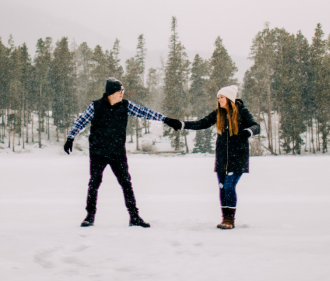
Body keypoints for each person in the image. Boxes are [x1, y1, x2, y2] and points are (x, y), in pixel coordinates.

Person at [64, 77, 170, 228]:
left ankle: (134, 216)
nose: (122, 93)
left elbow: (145, 112)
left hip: (117, 152)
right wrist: (70, 137)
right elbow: (81, 121)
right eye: (120, 91)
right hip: (98, 152)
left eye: (123, 91)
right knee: (94, 183)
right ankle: (90, 216)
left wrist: (165, 119)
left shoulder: (126, 106)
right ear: (111, 93)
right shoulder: (95, 106)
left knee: (126, 183)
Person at [164, 85, 260, 229]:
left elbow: (256, 126)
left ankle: (230, 220)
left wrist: (248, 131)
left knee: (229, 186)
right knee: (222, 187)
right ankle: (225, 219)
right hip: (222, 157)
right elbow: (202, 123)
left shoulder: (242, 112)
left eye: (221, 97)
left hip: (237, 157)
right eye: (218, 98)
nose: (219, 100)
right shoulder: (219, 113)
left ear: (229, 98)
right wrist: (181, 124)